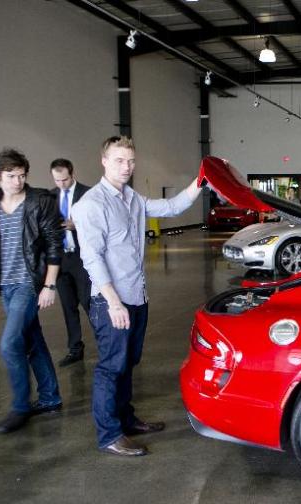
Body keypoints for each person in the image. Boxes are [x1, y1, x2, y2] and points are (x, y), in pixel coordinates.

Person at [72, 136, 202, 457]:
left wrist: (201, 182)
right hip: (111, 301)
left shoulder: (132, 199)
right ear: (104, 161)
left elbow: (171, 207)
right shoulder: (91, 205)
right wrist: (114, 303)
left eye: (130, 161)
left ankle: (126, 420)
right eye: (119, 160)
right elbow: (92, 259)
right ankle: (109, 435)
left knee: (128, 364)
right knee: (110, 367)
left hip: (137, 297)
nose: (126, 167)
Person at [0, 148, 63, 434]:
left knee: (9, 343)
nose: (17, 181)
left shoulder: (40, 201)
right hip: (6, 286)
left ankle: (20, 407)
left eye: (22, 175)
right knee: (31, 339)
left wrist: (49, 284)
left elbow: (53, 244)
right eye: (11, 176)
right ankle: (50, 397)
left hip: (29, 283)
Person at [49, 158, 91, 367]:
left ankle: (106, 343)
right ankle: (75, 348)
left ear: (72, 174)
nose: (61, 184)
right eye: (57, 180)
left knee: (89, 302)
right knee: (68, 306)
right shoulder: (51, 196)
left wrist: (78, 225)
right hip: (61, 259)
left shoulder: (88, 194)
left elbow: (99, 224)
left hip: (82, 258)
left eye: (64, 179)